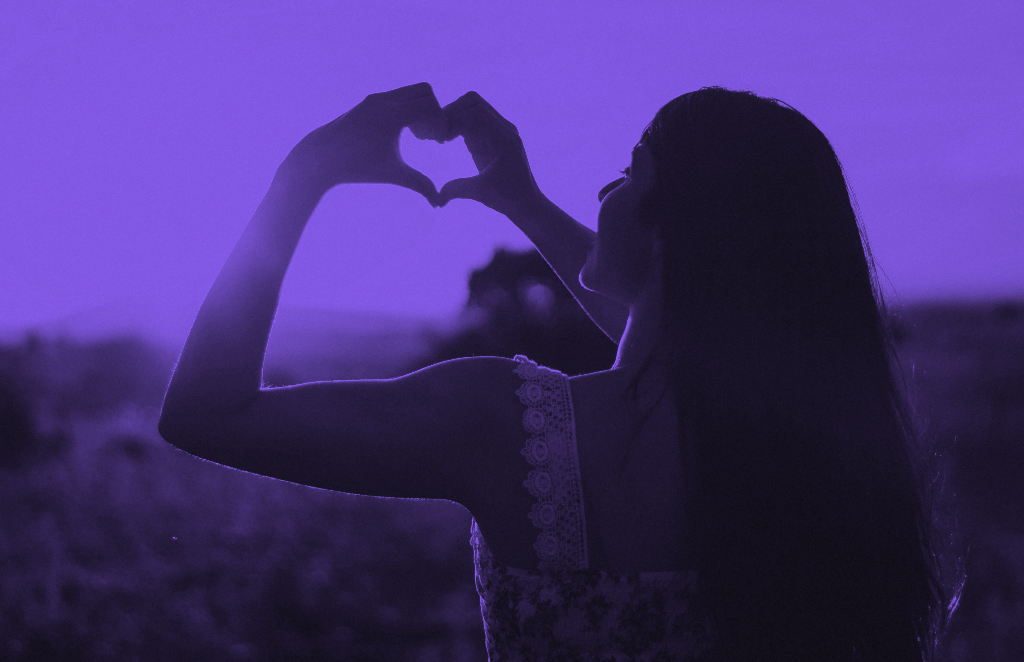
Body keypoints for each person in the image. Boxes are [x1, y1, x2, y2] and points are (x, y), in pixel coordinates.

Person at [159, 82, 960, 661]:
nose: (605, 188)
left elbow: (206, 411)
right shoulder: (809, 452)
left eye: (629, 170)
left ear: (676, 231)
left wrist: (308, 168)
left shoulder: (508, 427)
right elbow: (690, 327)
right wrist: (523, 200)